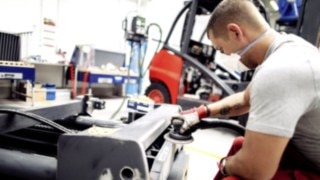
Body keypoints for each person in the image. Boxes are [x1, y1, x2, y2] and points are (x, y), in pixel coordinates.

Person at [175, 0, 320, 179]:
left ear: (235, 32)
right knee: (239, 145)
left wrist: (224, 165)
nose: (225, 56)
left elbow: (256, 170)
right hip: (305, 156)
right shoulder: (288, 47)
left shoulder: (280, 70)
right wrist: (201, 112)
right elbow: (245, 99)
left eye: (221, 49)